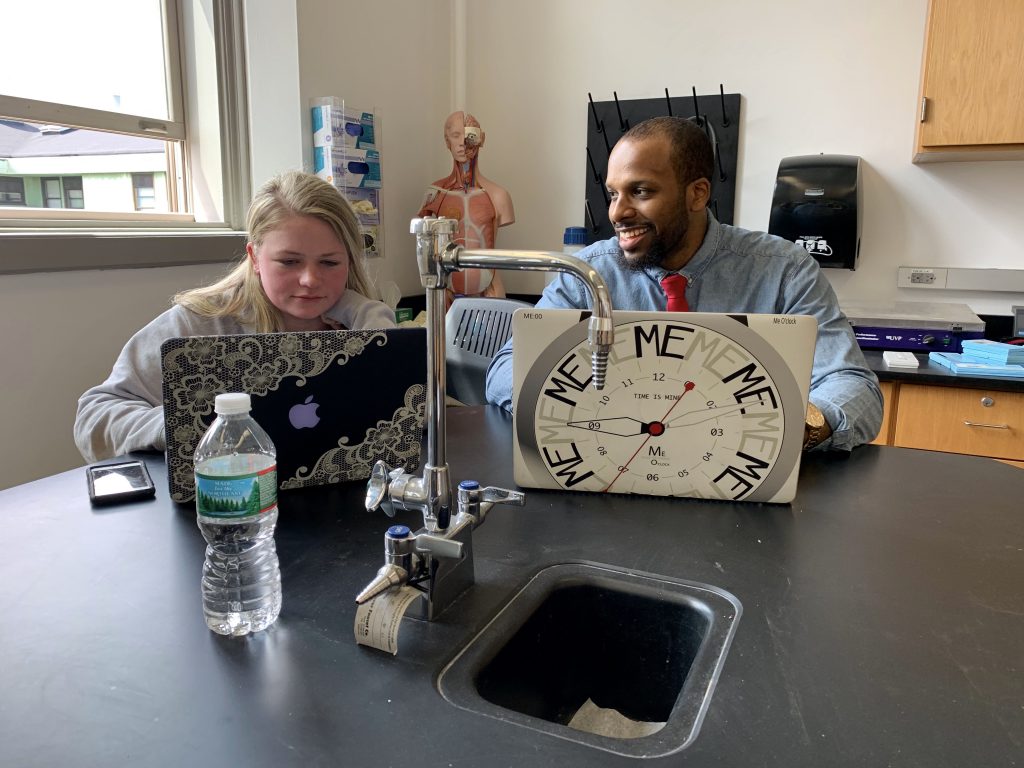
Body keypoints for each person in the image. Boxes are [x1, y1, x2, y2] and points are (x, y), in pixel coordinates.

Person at [485, 116, 882, 451]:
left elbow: (853, 385)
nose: (618, 212)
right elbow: (506, 369)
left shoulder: (783, 272)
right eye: (612, 194)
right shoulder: (585, 275)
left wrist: (793, 428)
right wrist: (600, 411)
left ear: (698, 193)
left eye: (640, 191)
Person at [74, 171, 396, 463]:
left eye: (329, 263)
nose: (310, 279)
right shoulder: (198, 323)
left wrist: (364, 311)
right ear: (255, 258)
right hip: (230, 504)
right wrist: (178, 425)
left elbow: (409, 408)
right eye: (289, 261)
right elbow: (96, 414)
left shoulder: (358, 321)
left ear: (350, 262)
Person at [417, 110, 515, 308]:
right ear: (447, 142)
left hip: (489, 289)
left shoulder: (498, 195)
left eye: (469, 135)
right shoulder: (435, 194)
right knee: (442, 339)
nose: (463, 142)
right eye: (455, 135)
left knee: (495, 339)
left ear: (481, 139)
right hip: (446, 291)